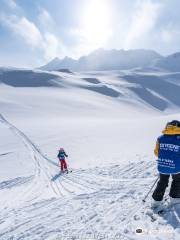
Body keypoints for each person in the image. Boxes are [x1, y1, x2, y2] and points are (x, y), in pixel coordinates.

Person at [152, 120, 180, 208]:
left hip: (163, 165)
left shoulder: (160, 138)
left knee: (162, 182)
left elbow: (156, 152)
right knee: (177, 181)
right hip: (176, 167)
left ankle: (156, 201)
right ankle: (175, 200)